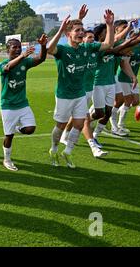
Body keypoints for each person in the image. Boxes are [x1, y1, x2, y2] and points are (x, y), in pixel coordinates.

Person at [47, 9, 115, 169]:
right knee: (60, 126)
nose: (81, 32)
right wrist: (60, 29)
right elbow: (49, 49)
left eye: (82, 30)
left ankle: (68, 152)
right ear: (68, 34)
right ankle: (54, 149)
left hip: (80, 94)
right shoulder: (63, 50)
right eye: (77, 30)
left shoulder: (87, 48)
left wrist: (109, 25)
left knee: (78, 124)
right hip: (64, 95)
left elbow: (108, 44)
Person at [0, 34, 48, 171]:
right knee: (9, 136)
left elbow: (41, 58)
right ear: (8, 50)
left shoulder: (24, 63)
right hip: (8, 105)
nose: (18, 49)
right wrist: (23, 56)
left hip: (23, 104)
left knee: (30, 129)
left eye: (19, 47)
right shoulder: (2, 64)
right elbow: (8, 67)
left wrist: (43, 46)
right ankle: (7, 160)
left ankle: (17, 128)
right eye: (14, 47)